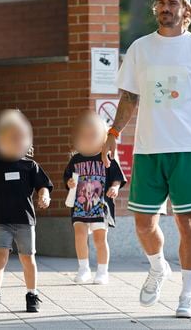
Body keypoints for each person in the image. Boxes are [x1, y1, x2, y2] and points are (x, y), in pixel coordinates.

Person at [102, 0, 191, 318]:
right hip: (149, 148)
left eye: (173, 3)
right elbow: (130, 97)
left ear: (186, 9)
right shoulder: (140, 49)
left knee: (186, 223)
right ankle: (158, 266)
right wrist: (114, 132)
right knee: (143, 223)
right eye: (161, 2)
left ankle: (188, 295)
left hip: (188, 148)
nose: (165, 8)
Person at [0, 110, 53, 314]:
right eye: (12, 137)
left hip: (25, 221)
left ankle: (32, 295)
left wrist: (44, 196)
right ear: (1, 139)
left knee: (28, 258)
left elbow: (43, 185)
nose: (17, 141)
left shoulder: (30, 165)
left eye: (22, 137)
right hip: (3, 221)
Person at [63, 111, 126, 285]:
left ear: (103, 137)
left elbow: (117, 177)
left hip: (100, 205)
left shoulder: (106, 157)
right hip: (80, 206)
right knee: (80, 235)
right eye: (84, 136)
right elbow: (67, 179)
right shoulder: (75, 160)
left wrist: (114, 187)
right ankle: (83, 269)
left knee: (100, 239)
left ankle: (102, 271)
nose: (88, 139)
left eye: (93, 135)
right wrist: (69, 183)